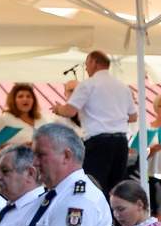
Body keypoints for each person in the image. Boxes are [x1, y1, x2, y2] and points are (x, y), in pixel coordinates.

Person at [51, 50, 134, 188]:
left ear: (94, 63)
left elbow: (69, 111)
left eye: (87, 64)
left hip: (99, 141)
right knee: (116, 187)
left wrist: (58, 109)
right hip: (121, 142)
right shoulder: (123, 87)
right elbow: (132, 117)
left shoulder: (88, 84)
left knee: (95, 185)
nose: (86, 68)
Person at [0, 83, 44, 149]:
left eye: (28, 96)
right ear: (13, 100)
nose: (25, 99)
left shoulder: (42, 118)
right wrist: (19, 146)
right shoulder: (5, 119)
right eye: (20, 96)